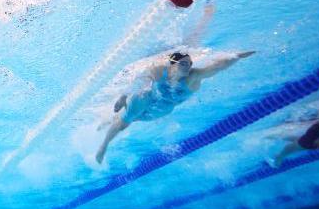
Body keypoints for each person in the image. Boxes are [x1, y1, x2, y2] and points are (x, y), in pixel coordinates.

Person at [96, 48, 255, 163]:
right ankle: (104, 145)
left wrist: (235, 56)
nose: (188, 67)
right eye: (183, 64)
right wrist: (122, 96)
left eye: (190, 63)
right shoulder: (159, 69)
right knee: (129, 115)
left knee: (129, 119)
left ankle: (110, 120)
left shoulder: (193, 77)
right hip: (147, 100)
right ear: (172, 64)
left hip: (161, 110)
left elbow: (217, 66)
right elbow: (139, 79)